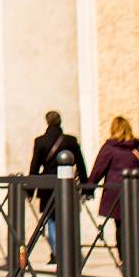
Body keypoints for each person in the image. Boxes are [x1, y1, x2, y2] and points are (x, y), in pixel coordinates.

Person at [87, 115, 139, 261]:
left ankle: (124, 257)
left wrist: (88, 188)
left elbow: (98, 170)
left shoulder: (109, 148)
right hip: (138, 191)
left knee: (120, 225)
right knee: (138, 225)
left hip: (116, 193)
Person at [26, 110, 86, 263]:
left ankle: (57, 253)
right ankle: (72, 251)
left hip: (47, 186)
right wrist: (87, 187)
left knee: (52, 220)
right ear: (60, 122)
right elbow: (80, 164)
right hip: (68, 185)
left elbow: (34, 167)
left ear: (47, 122)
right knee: (69, 218)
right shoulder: (70, 141)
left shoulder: (40, 141)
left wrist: (30, 190)